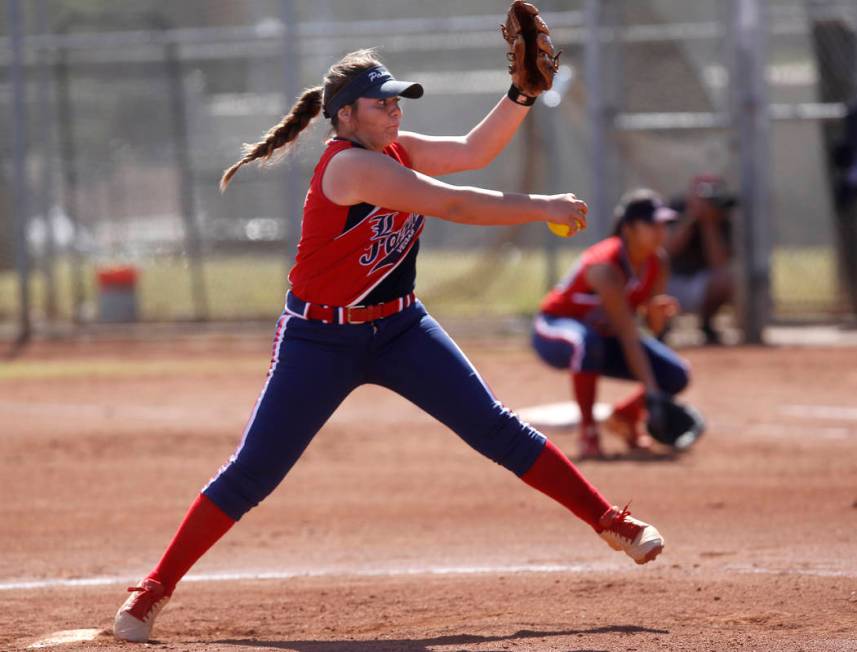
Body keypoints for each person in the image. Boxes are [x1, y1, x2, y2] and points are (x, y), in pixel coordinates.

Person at [113, 49, 664, 644]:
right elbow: (451, 202)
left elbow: (474, 152)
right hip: (320, 338)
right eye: (383, 102)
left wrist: (521, 96)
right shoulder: (348, 167)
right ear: (346, 116)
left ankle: (611, 522)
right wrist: (540, 207)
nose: (395, 111)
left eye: (397, 100)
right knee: (254, 472)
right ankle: (153, 589)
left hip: (401, 329)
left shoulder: (394, 149)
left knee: (497, 427)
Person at [531, 189, 692, 459]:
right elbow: (629, 334)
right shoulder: (606, 268)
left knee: (676, 374)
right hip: (554, 330)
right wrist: (652, 394)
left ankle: (625, 417)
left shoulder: (657, 262)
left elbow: (650, 330)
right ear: (628, 228)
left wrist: (654, 312)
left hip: (605, 337)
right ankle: (588, 433)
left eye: (663, 224)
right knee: (587, 343)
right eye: (652, 224)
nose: (660, 231)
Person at [665, 175, 737, 345]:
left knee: (724, 281)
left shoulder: (720, 218)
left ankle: (706, 324)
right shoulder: (676, 209)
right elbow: (666, 251)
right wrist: (691, 217)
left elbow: (719, 263)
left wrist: (708, 224)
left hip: (699, 284)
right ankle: (661, 327)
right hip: (669, 282)